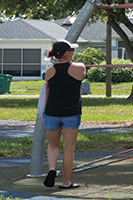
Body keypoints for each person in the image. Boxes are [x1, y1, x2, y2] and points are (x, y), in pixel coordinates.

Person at [43, 40, 86, 189]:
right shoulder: (79, 68)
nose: (73, 53)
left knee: (53, 145)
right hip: (71, 113)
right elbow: (82, 74)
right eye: (72, 51)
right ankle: (66, 182)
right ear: (67, 53)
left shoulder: (49, 71)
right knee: (68, 148)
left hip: (52, 112)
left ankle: (52, 169)